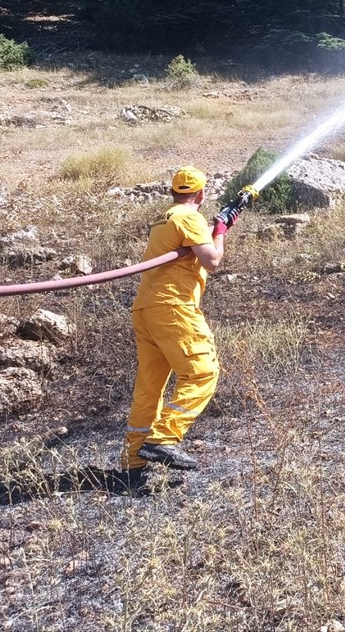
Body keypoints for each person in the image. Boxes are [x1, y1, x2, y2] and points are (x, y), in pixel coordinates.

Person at [121, 166, 235, 473]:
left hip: (146, 309)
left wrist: (215, 231)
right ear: (200, 194)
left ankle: (134, 462)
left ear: (173, 192)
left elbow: (191, 250)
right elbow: (211, 260)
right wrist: (221, 231)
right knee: (202, 373)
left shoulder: (165, 219)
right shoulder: (189, 217)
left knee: (150, 386)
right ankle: (163, 439)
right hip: (172, 308)